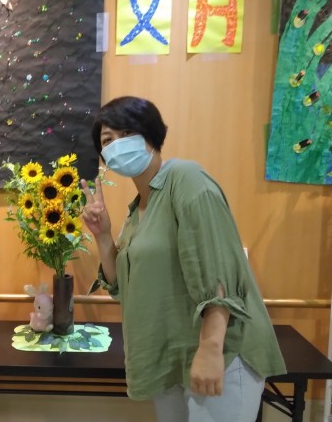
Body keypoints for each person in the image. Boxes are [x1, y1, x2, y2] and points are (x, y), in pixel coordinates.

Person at [80, 96, 285, 422]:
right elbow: (122, 287)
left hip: (219, 353)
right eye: (107, 140)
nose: (117, 144)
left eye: (127, 133)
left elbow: (218, 264)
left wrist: (211, 347)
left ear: (151, 135)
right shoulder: (138, 210)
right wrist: (103, 235)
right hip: (171, 359)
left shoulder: (185, 178)